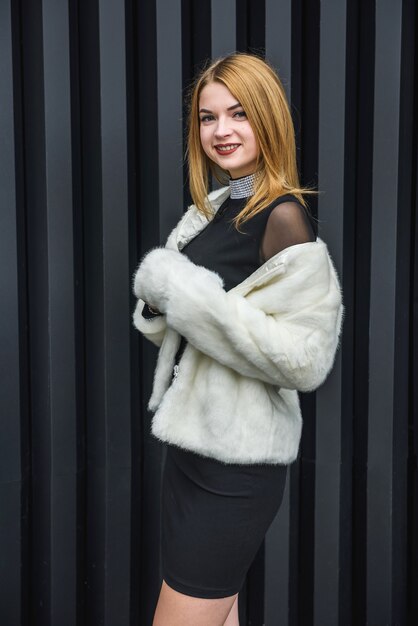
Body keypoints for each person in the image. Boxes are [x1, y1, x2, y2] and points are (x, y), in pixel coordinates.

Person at [132, 52, 344, 626]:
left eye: (239, 114)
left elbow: (305, 358)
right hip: (191, 454)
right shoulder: (216, 210)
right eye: (207, 118)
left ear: (269, 119)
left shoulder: (283, 217)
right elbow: (176, 322)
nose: (221, 131)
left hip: (236, 469)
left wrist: (183, 293)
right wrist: (161, 301)